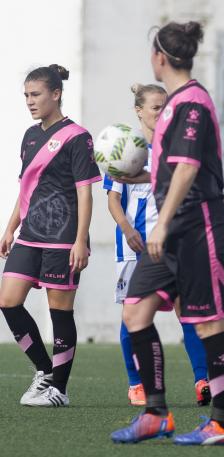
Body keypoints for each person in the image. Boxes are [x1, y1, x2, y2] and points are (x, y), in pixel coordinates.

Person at [110, 21, 224, 445]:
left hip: (197, 225)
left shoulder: (192, 103)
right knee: (135, 312)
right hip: (175, 229)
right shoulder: (176, 104)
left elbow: (187, 168)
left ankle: (221, 424)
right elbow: (174, 168)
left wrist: (162, 221)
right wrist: (140, 175)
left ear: (159, 58)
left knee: (207, 323)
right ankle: (156, 413)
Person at [104, 83, 213, 407]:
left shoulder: (174, 147)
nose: (163, 114)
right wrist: (126, 228)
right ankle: (136, 384)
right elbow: (113, 199)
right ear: (139, 110)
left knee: (187, 312)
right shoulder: (124, 147)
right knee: (133, 314)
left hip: (172, 243)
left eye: (166, 108)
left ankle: (202, 379)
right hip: (135, 246)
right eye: (155, 107)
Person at [0, 64, 101, 407]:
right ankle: (44, 371)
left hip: (63, 238)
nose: (30, 101)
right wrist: (10, 227)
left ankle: (59, 389)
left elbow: (86, 193)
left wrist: (81, 240)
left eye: (36, 94)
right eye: (26, 95)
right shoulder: (30, 135)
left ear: (56, 94)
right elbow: (25, 187)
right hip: (29, 235)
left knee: (60, 313)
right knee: (8, 301)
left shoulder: (77, 137)